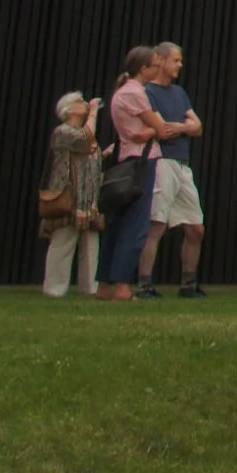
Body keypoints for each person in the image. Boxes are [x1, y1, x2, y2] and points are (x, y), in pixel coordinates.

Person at [135, 42, 206, 297]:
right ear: (161, 60)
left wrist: (181, 128)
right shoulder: (148, 92)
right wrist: (183, 127)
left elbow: (197, 126)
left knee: (196, 228)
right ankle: (144, 284)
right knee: (156, 225)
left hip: (182, 164)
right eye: (175, 60)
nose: (179, 65)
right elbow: (161, 129)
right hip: (161, 161)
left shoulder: (179, 92)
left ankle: (188, 285)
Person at [99, 47, 164, 300]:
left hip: (125, 159)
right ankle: (122, 285)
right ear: (144, 69)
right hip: (141, 161)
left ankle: (105, 284)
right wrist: (154, 129)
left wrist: (148, 130)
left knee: (115, 223)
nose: (158, 69)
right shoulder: (136, 93)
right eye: (155, 65)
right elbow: (160, 128)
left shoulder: (122, 92)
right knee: (135, 225)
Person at [42, 92, 103, 297]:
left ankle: (91, 287)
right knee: (63, 241)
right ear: (68, 109)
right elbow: (85, 139)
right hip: (69, 194)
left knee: (91, 244)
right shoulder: (62, 131)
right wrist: (93, 111)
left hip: (88, 196)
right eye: (79, 101)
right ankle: (55, 288)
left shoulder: (83, 131)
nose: (84, 103)